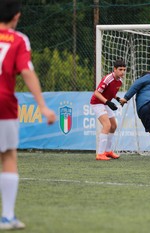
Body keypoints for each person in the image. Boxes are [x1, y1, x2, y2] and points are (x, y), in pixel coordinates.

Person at [0, 0, 56, 230]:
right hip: (3, 104)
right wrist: (42, 105)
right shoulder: (19, 39)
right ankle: (7, 216)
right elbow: (26, 71)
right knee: (9, 156)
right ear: (17, 16)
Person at [90, 59, 126, 161]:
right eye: (120, 69)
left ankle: (108, 151)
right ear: (114, 69)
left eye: (124, 70)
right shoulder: (108, 79)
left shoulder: (120, 81)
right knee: (107, 125)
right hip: (97, 103)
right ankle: (100, 154)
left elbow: (111, 93)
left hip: (105, 103)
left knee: (113, 126)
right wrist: (108, 103)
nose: (122, 72)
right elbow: (96, 93)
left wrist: (118, 99)